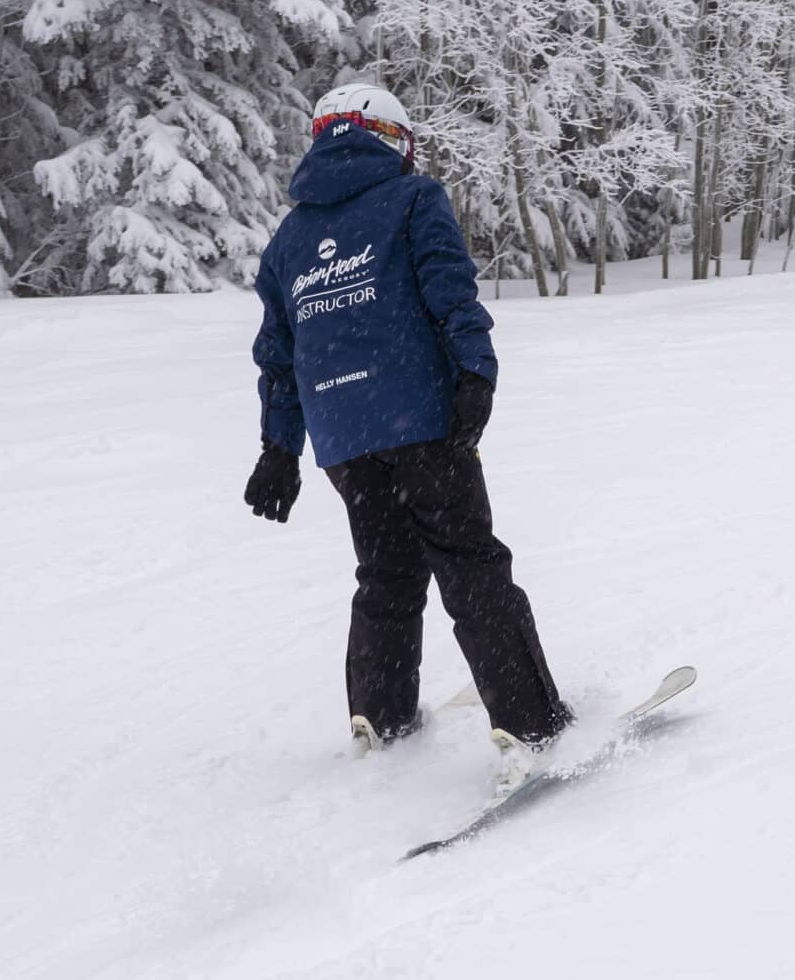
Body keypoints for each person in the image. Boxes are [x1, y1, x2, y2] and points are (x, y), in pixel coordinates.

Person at [243, 83, 571, 793]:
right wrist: (476, 373)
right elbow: (450, 290)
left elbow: (278, 353)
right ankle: (532, 723)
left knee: (387, 572)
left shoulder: (288, 239)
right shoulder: (414, 197)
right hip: (420, 421)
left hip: (343, 438)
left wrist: (280, 448)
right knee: (468, 562)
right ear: (393, 139)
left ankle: (379, 717)